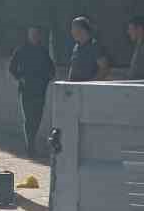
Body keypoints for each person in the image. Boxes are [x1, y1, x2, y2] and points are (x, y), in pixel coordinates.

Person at [8, 25, 55, 157]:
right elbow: (12, 68)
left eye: (36, 34)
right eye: (32, 34)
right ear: (28, 35)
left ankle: (31, 142)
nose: (34, 36)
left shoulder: (43, 51)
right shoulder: (21, 50)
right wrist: (20, 78)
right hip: (26, 90)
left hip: (40, 90)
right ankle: (30, 146)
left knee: (37, 117)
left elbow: (51, 69)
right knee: (28, 118)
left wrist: (47, 79)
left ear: (39, 36)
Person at [66, 16, 111, 83]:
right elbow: (73, 67)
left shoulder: (94, 46)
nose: (72, 32)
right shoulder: (76, 47)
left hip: (88, 90)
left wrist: (90, 84)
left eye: (74, 29)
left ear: (83, 30)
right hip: (75, 89)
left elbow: (104, 69)